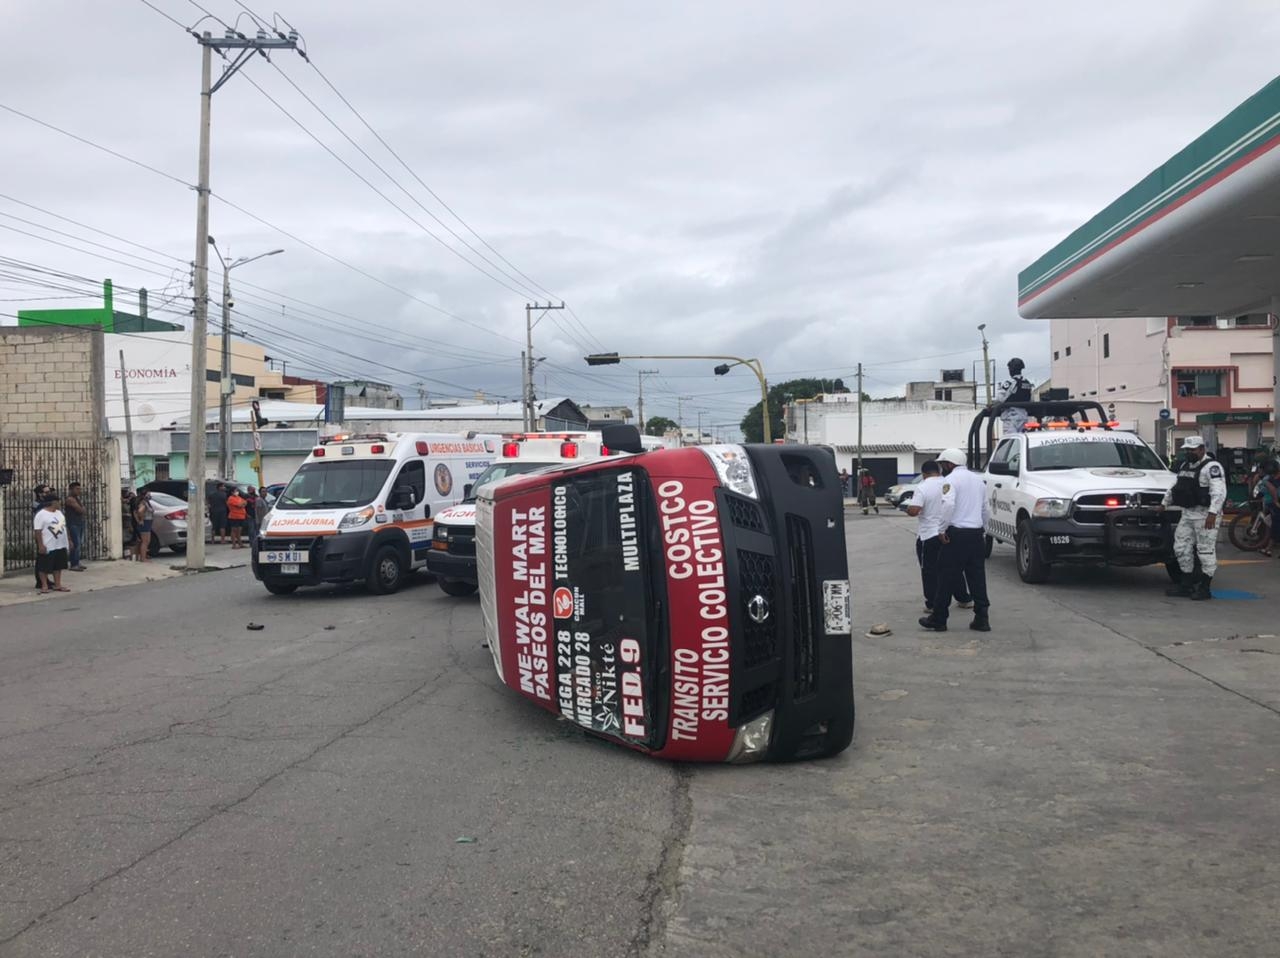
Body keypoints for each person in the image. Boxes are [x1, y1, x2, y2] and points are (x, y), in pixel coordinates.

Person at [920, 448, 991, 632]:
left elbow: (948, 504)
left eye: (943, 464)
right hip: (976, 534)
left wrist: (942, 529)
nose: (942, 468)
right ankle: (982, 618)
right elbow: (986, 509)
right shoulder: (978, 480)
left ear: (949, 464)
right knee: (977, 578)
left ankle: (939, 618)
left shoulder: (950, 480)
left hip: (956, 535)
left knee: (945, 577)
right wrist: (983, 529)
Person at [1162, 436, 1227, 600]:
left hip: (1205, 515)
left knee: (1205, 550)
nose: (1189, 452)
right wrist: (1164, 504)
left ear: (1201, 449)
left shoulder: (1212, 467)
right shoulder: (1185, 466)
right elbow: (1176, 487)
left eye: (1192, 449)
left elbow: (1218, 492)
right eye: (1187, 450)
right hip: (1188, 513)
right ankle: (1186, 584)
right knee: (1181, 548)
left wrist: (1213, 513)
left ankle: (1205, 588)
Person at [33, 490, 71, 594]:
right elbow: (38, 531)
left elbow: (64, 526)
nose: (59, 503)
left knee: (58, 566)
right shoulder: (41, 514)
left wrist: (69, 540)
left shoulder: (59, 513)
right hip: (48, 544)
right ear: (52, 502)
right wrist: (41, 545)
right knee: (44, 566)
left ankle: (58, 584)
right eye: (58, 501)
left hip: (60, 544)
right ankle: (44, 585)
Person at [993, 358, 1034, 435]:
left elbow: (999, 398)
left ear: (1011, 369)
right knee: (1022, 439)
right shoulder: (1027, 383)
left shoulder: (1010, 382)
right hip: (1024, 417)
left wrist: (992, 405)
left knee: (1010, 441)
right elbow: (1031, 400)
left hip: (1011, 417)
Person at [31, 483, 52, 589]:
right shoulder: (37, 504)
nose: (49, 494)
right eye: (47, 492)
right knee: (41, 558)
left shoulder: (46, 503)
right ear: (40, 494)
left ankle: (46, 580)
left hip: (48, 533)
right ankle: (40, 581)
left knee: (46, 558)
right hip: (40, 533)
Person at [65, 480, 88, 571]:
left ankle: (77, 562)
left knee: (79, 543)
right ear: (71, 489)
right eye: (77, 489)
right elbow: (80, 510)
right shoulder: (70, 499)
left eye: (80, 489)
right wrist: (82, 509)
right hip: (73, 524)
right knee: (76, 544)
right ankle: (74, 564)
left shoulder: (77, 499)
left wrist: (82, 509)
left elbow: (83, 510)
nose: (79, 491)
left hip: (79, 523)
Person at [133, 489, 155, 562]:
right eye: (148, 494)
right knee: (145, 541)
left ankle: (141, 557)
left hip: (147, 523)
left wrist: (138, 520)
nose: (150, 496)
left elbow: (135, 512)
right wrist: (141, 520)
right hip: (145, 523)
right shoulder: (143, 503)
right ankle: (143, 558)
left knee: (144, 541)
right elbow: (139, 511)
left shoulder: (145, 502)